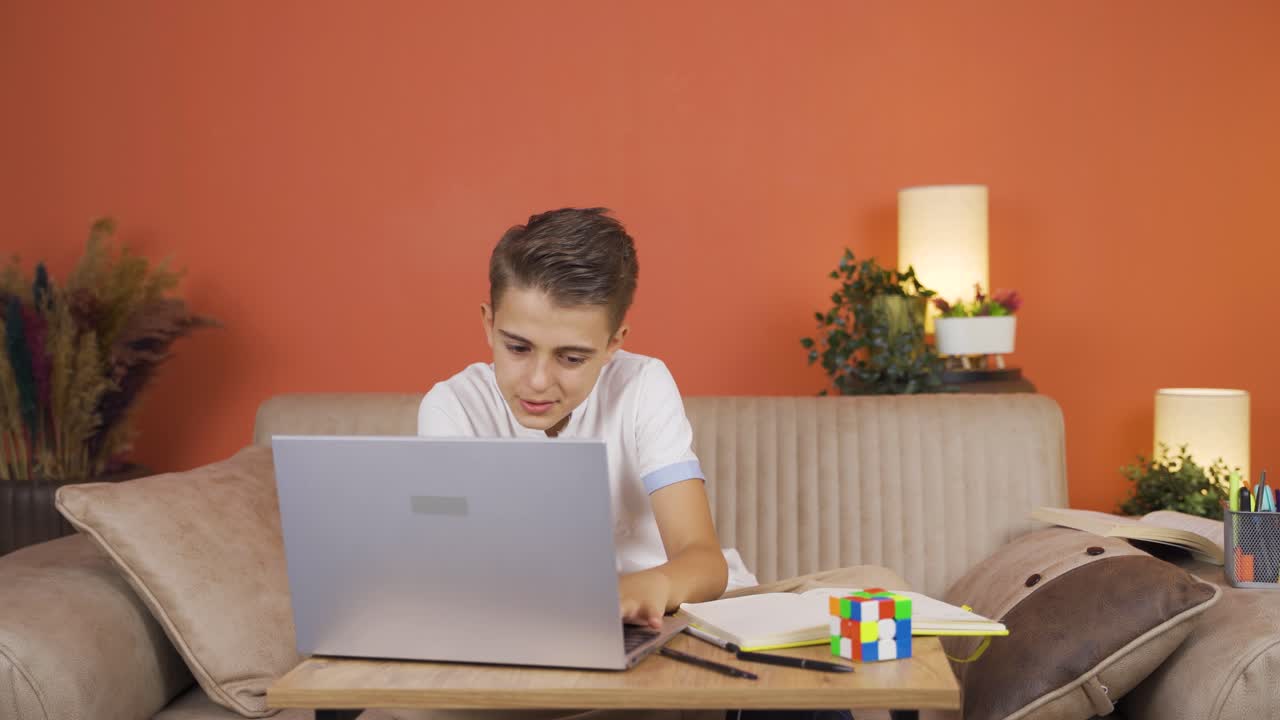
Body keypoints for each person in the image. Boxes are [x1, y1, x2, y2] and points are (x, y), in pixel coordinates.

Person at [418, 207, 867, 720]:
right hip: (537, 641)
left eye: (571, 358)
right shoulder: (452, 408)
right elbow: (460, 581)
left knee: (823, 672)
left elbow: (703, 560)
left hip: (679, 619)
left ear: (614, 344)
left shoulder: (642, 385)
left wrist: (644, 590)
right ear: (488, 324)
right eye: (517, 347)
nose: (538, 380)